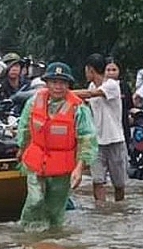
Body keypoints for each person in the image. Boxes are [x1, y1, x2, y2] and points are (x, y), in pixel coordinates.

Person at [17, 62, 97, 228]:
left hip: (62, 165)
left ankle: (53, 242)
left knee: (55, 210)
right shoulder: (34, 102)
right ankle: (27, 234)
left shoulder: (79, 109)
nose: (58, 87)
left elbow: (87, 138)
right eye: (54, 82)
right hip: (36, 160)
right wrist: (21, 149)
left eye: (62, 83)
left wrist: (79, 168)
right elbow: (25, 128)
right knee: (35, 200)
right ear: (47, 83)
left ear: (68, 85)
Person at [73, 53, 128, 202]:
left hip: (115, 139)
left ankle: (119, 209)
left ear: (90, 70)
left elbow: (91, 94)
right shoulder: (91, 85)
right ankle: (101, 211)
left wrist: (65, 93)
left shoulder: (111, 85)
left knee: (119, 184)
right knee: (97, 181)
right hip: (96, 141)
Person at [105, 57, 134, 148]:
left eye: (114, 70)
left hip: (122, 123)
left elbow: (130, 106)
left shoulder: (124, 86)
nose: (111, 73)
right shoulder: (100, 87)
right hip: (106, 124)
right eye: (108, 70)